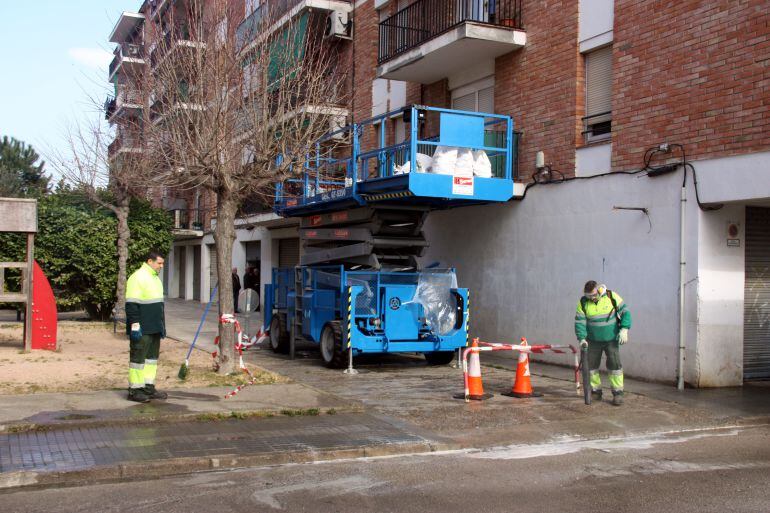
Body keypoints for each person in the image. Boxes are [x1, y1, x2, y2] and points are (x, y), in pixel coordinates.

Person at [574, 281, 632, 406]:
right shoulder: (583, 303)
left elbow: (625, 312)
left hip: (611, 339)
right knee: (591, 367)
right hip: (593, 341)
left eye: (594, 295)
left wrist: (624, 329)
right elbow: (580, 322)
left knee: (615, 366)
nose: (592, 298)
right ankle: (596, 392)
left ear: (598, 290)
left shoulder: (611, 296)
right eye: (589, 296)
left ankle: (618, 394)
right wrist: (582, 338)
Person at [125, 251, 167, 403]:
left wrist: (161, 327)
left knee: (151, 360)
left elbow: (158, 305)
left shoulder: (155, 278)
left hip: (154, 327)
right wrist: (135, 325)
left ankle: (148, 388)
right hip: (142, 328)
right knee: (138, 360)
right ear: (150, 261)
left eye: (162, 263)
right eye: (159, 263)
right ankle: (135, 390)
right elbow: (131, 304)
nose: (161, 266)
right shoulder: (137, 277)